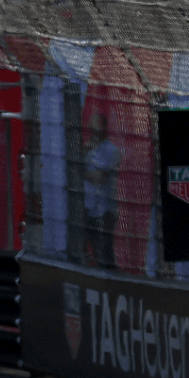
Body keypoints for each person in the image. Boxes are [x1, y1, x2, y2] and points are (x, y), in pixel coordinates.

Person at [81, 110, 120, 271]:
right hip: (89, 208)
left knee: (104, 251)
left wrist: (80, 171)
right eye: (91, 126)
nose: (93, 130)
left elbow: (99, 178)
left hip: (104, 211)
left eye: (96, 126)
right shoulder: (89, 149)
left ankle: (111, 278)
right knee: (94, 252)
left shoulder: (110, 150)